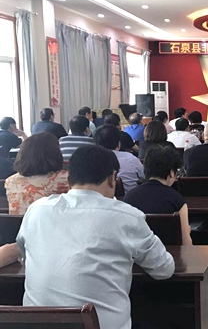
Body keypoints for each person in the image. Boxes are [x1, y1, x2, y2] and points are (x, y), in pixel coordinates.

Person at [16, 145, 174, 329]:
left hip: (36, 324)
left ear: (68, 180)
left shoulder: (37, 210)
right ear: (112, 178)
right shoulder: (127, 216)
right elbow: (164, 269)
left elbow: (26, 257)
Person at [124, 145, 192, 245]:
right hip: (169, 254)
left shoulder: (128, 197)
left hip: (136, 253)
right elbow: (186, 243)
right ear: (171, 173)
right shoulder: (177, 200)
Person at [5, 132, 69, 214]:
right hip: (50, 222)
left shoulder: (10, 181)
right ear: (55, 153)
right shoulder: (66, 179)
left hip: (18, 222)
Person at [94, 125, 144, 193]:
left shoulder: (91, 161)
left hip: (101, 198)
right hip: (131, 197)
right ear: (118, 144)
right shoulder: (130, 158)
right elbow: (144, 176)